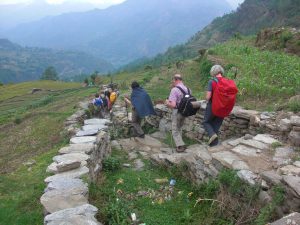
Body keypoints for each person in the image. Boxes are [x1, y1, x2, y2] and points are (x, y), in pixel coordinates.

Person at [165, 74, 188, 152]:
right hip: (185, 112)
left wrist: (167, 102)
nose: (172, 82)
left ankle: (181, 146)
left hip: (177, 111)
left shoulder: (174, 90)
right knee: (179, 128)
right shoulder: (187, 89)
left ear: (176, 80)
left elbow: (173, 105)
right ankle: (180, 144)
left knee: (175, 130)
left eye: (173, 80)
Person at [203, 65, 225, 147]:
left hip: (213, 105)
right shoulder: (226, 81)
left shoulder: (212, 81)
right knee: (216, 124)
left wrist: (206, 99)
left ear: (213, 72)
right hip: (223, 107)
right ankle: (214, 144)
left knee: (206, 122)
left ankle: (212, 135)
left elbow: (208, 96)